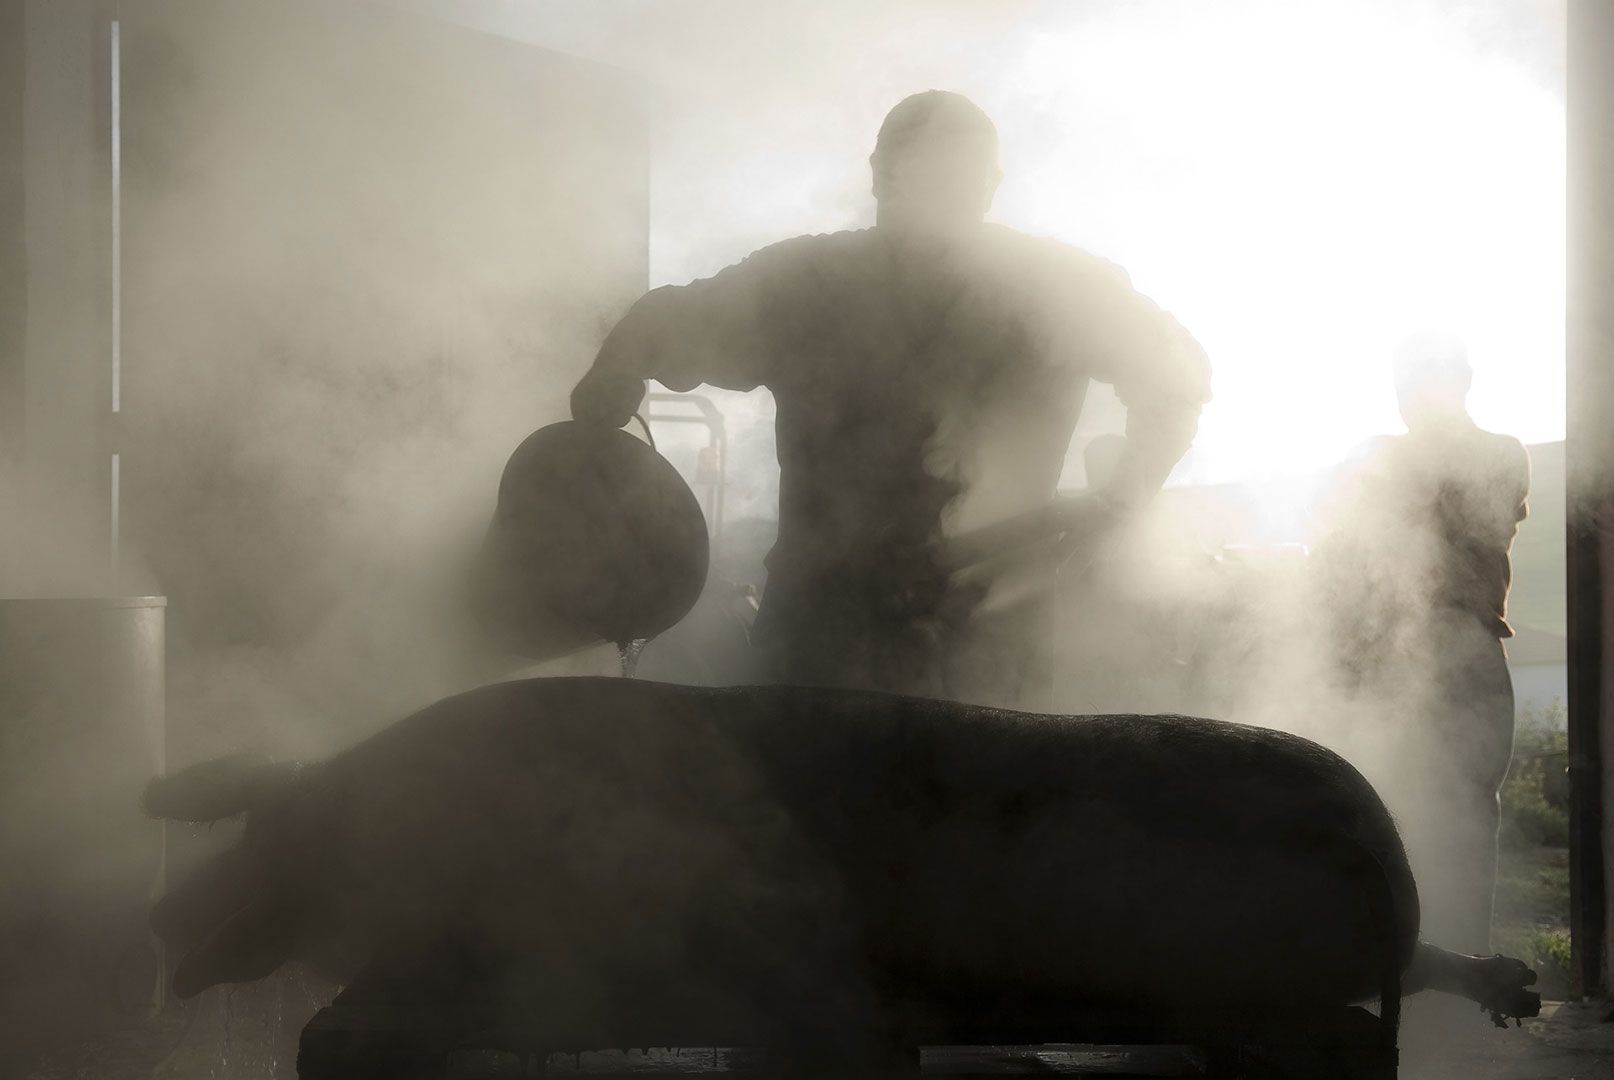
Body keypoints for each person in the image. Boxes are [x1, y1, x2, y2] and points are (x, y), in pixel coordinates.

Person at [571, 91, 1211, 703]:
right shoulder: (812, 283)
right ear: (885, 175)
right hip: (888, 641)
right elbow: (1176, 380)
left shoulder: (809, 281)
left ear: (880, 175)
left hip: (885, 641)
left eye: (957, 174)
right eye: (937, 172)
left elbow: (1177, 380)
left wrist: (1118, 504)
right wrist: (1116, 505)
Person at [1312, 332, 1530, 953]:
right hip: (1386, 652)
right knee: (1385, 802)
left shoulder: (1498, 453)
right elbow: (1336, 542)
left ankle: (1463, 965)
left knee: (1467, 811)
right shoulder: (1379, 457)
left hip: (1464, 647)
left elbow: (1470, 518)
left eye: (1417, 383)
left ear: (1459, 384)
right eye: (1402, 385)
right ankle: (1395, 965)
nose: (1407, 398)